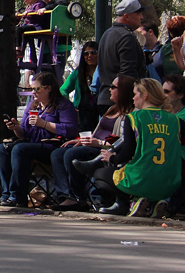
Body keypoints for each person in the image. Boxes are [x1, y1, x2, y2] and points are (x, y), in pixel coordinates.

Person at [75, 78, 185, 217]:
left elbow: (125, 148)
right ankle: (153, 204)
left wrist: (108, 153)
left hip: (138, 174)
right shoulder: (175, 119)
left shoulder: (133, 116)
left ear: (144, 95)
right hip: (170, 181)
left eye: (114, 87)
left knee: (102, 173)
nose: (132, 97)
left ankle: (130, 203)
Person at [50, 75, 135, 211]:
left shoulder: (131, 114)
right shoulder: (112, 109)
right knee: (58, 153)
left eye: (113, 87)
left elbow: (123, 140)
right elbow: (97, 132)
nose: (109, 90)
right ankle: (66, 196)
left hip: (107, 150)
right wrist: (81, 140)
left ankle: (79, 198)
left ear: (124, 91)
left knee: (71, 154)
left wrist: (99, 143)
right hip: (93, 145)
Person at [0, 71, 79, 207]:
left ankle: (17, 195)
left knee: (20, 149)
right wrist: (16, 128)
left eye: (37, 89)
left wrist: (44, 124)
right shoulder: (33, 106)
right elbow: (23, 133)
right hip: (32, 144)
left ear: (48, 88)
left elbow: (70, 129)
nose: (33, 92)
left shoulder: (63, 105)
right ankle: (6, 195)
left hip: (52, 146)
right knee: (2, 149)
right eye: (31, 89)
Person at [96, 0, 147, 114]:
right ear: (126, 16)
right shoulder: (126, 37)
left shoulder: (107, 34)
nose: (141, 17)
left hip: (105, 98)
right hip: (120, 102)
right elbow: (128, 74)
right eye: (138, 13)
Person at [60, 41, 100, 132]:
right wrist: (70, 107)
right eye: (86, 53)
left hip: (101, 112)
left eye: (93, 52)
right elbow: (63, 90)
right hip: (83, 114)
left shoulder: (104, 71)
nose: (89, 56)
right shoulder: (78, 73)